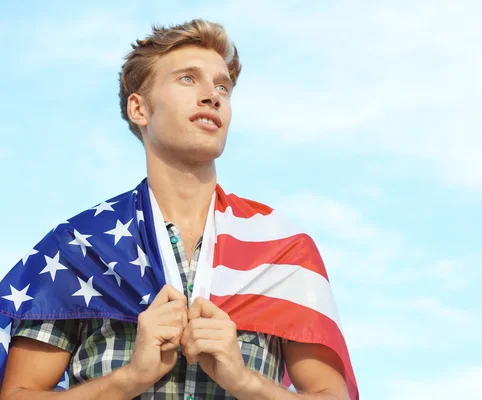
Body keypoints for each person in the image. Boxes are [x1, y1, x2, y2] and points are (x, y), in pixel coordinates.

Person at [0, 19, 357, 400]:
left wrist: (244, 380)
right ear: (139, 108)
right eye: (188, 79)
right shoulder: (78, 248)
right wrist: (130, 378)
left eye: (223, 86)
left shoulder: (283, 252)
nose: (212, 96)